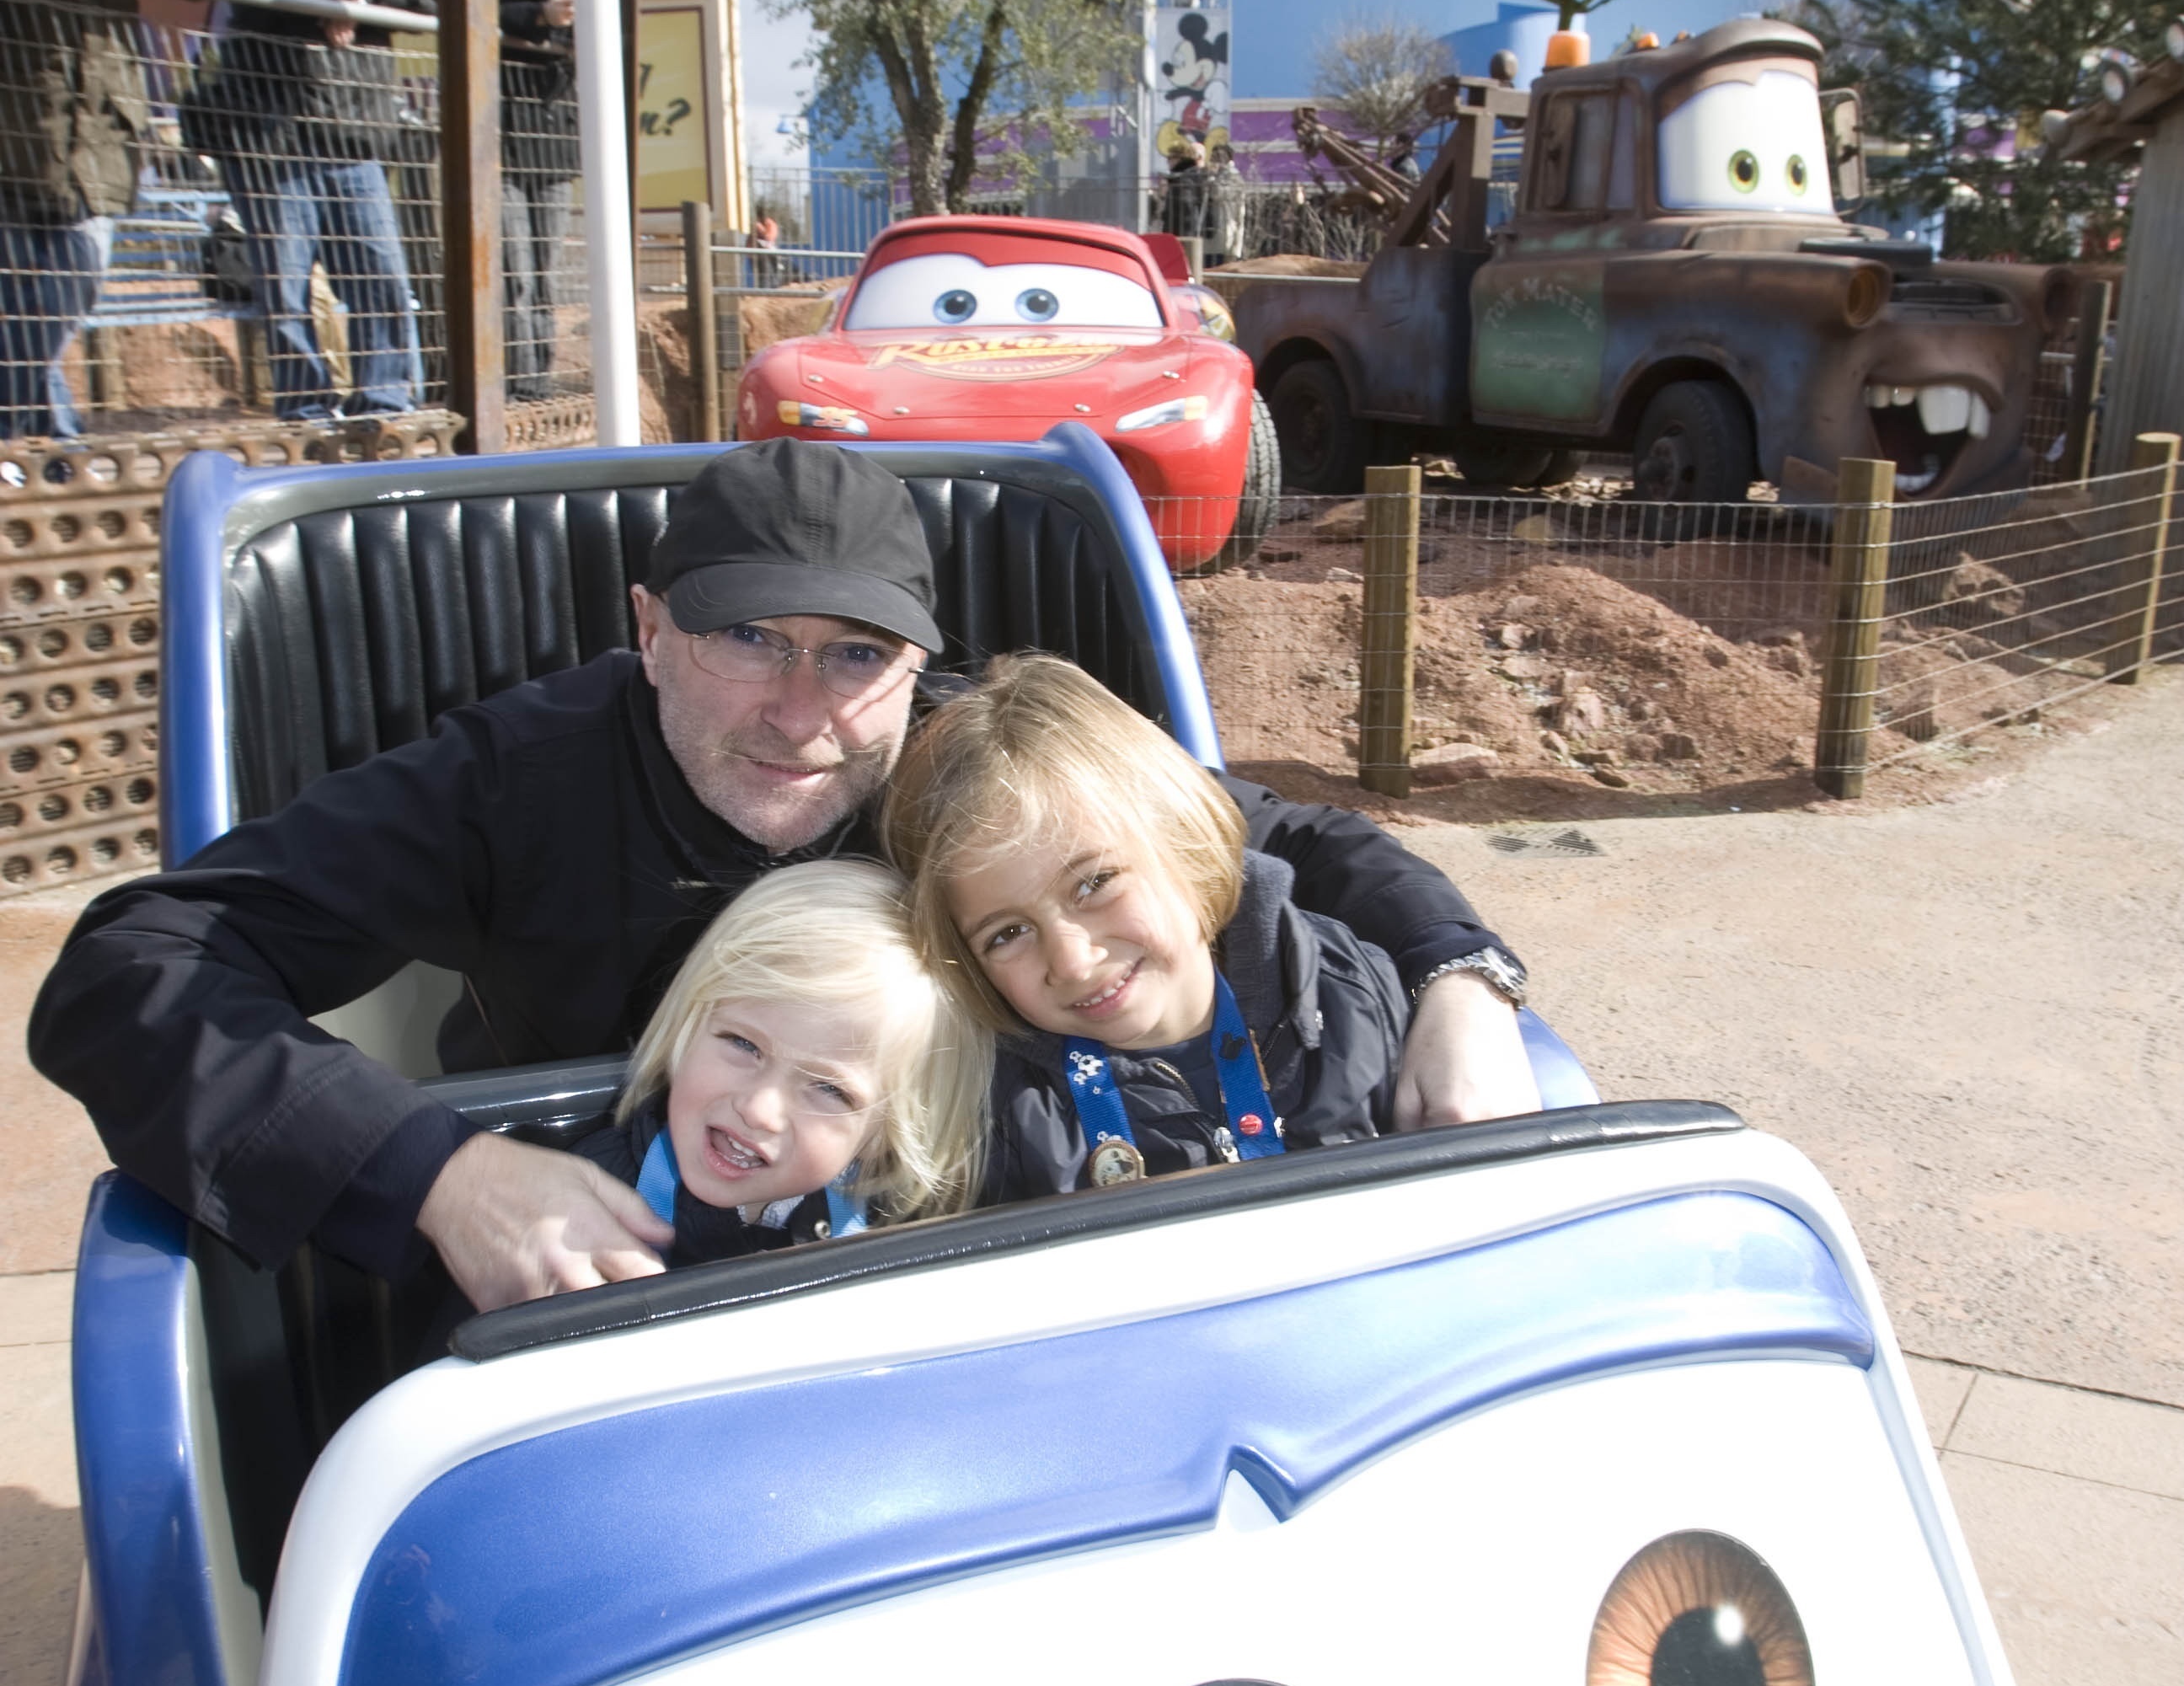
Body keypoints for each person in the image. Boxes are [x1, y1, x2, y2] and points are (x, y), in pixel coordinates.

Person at [29, 441, 1536, 1317]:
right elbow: (135, 961)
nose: (800, 711)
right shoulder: (513, 780)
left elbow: (1284, 842)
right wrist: (441, 1171)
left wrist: (1462, 983)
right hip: (614, 1279)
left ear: (914, 662)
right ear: (648, 627)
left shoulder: (967, 763)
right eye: (745, 638)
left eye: (854, 656)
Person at [888, 655, 1407, 1197]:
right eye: (1007, 934)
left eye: (1094, 883)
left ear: (1184, 843)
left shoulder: (1353, 995)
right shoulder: (990, 1124)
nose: (1073, 961)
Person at [574, 858, 987, 1268]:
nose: (758, 1110)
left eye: (829, 1088)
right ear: (687, 1026)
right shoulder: (584, 1202)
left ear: (885, 1136)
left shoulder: (887, 1225)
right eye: (743, 1044)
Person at [0, 0, 219, 440]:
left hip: (98, 132)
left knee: (70, 289)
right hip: (12, 126)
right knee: (17, 302)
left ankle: (31, 444)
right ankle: (47, 453)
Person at [214, 0, 434, 420]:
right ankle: (306, 407)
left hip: (352, 145)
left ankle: (383, 401)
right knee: (286, 291)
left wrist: (358, 0)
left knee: (380, 280)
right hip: (272, 149)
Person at [499, 0, 578, 401]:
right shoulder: (492, 2)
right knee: (515, 276)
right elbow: (496, 18)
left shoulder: (579, 9)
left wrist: (562, 18)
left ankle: (538, 385)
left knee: (544, 279)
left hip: (553, 163)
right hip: (503, 160)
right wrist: (540, 17)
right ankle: (515, 384)